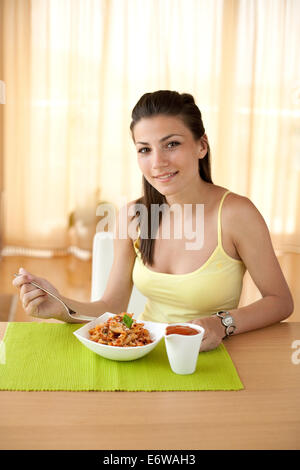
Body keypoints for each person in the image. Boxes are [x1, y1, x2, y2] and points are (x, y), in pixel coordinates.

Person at [13, 90, 294, 351]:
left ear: (201, 146)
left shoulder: (237, 215)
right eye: (144, 149)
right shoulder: (133, 217)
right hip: (145, 351)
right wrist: (62, 307)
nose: (158, 162)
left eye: (171, 144)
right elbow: (112, 306)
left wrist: (222, 324)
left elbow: (280, 302)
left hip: (213, 356)